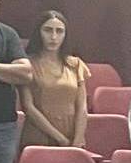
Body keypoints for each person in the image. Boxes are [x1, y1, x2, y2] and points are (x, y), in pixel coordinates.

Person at [18, 8, 89, 148]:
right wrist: (60, 139)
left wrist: (78, 138)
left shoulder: (75, 64)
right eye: (48, 30)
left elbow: (82, 107)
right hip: (39, 137)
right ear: (39, 33)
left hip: (72, 137)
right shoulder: (27, 64)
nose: (54, 37)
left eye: (59, 31)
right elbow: (28, 107)